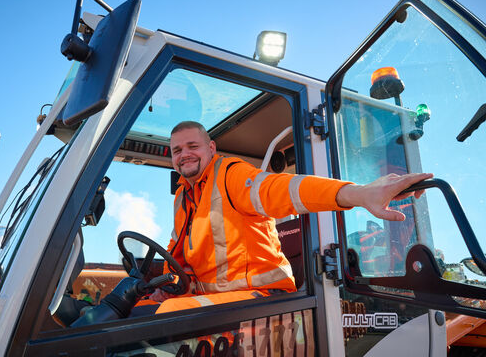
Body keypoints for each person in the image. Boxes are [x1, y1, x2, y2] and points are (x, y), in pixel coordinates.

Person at [148, 120, 432, 313]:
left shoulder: (231, 176)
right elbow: (178, 252)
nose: (184, 154)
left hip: (264, 300)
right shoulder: (183, 198)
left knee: (169, 315)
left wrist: (357, 193)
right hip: (221, 303)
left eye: (192, 146)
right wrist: (166, 287)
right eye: (177, 150)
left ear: (210, 148)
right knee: (143, 310)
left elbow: (284, 189)